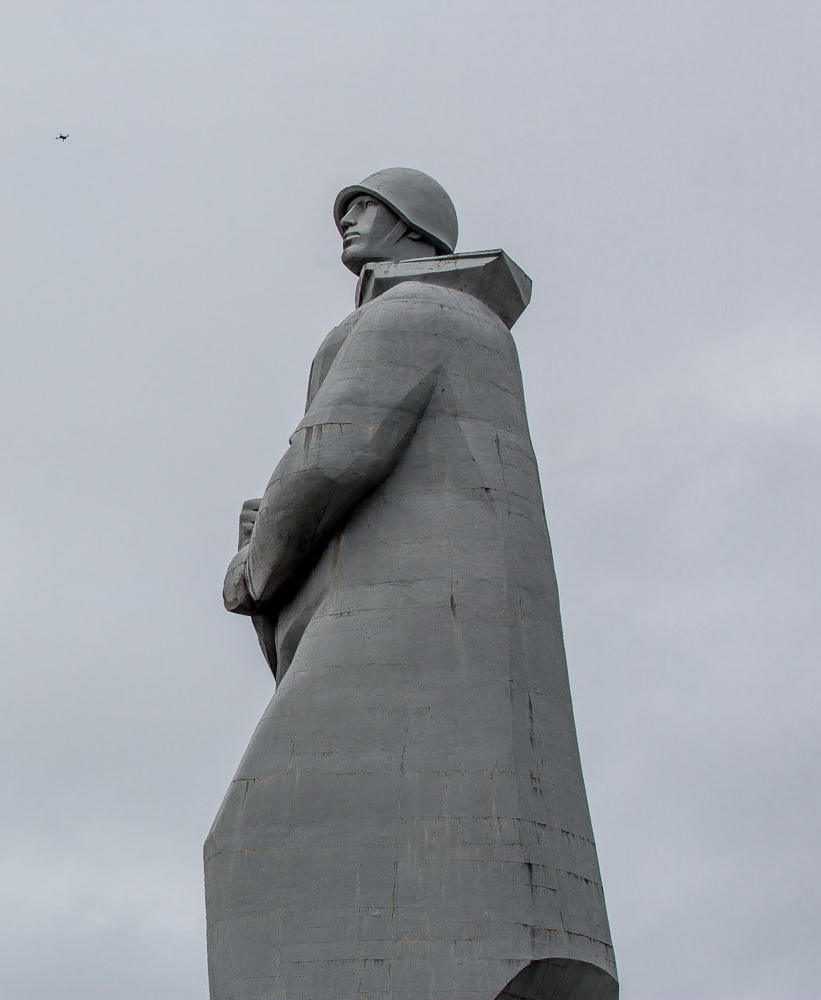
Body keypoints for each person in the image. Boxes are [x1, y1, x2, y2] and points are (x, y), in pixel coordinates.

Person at [207, 168, 618, 1000]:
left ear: (414, 224)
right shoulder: (468, 323)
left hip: (423, 621)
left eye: (363, 206)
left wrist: (254, 569)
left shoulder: (414, 311)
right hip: (450, 626)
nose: (346, 221)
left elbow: (334, 451)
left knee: (273, 823)